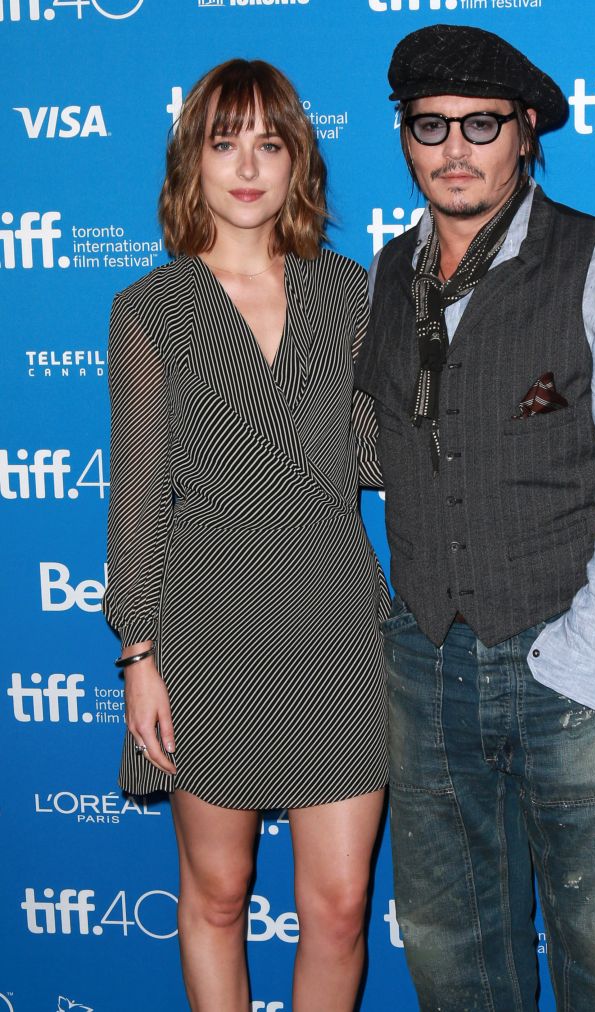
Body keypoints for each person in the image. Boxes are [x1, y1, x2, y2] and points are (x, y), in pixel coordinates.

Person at [355, 24, 595, 1012]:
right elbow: (384, 451)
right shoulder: (387, 274)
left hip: (570, 663)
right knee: (453, 959)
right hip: (427, 665)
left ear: (526, 129)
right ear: (404, 135)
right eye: (430, 125)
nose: (454, 149)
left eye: (481, 124)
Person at [102, 58, 388, 1012]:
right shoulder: (150, 310)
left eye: (270, 144)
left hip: (336, 625)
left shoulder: (348, 291)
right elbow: (139, 496)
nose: (249, 167)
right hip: (209, 629)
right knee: (218, 896)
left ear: (297, 160)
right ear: (194, 161)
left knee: (339, 909)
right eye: (225, 144)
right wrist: (138, 653)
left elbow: (372, 455)